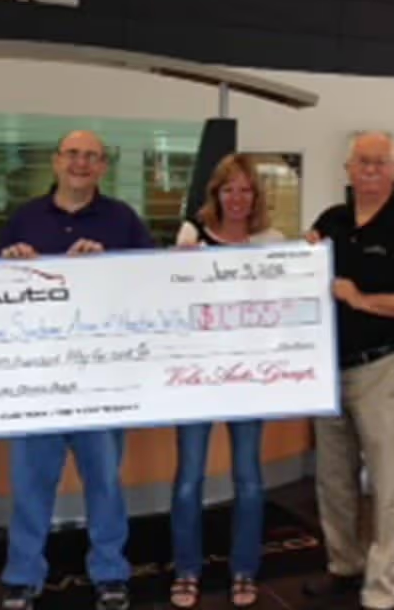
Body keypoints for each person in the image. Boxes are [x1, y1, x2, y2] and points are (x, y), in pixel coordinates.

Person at [0, 130, 154, 610]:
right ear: (55, 161)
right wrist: (9, 266)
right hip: (37, 381)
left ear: (103, 166)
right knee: (30, 485)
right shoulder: (23, 219)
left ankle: (110, 573)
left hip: (101, 379)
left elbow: (152, 287)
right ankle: (23, 575)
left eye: (91, 157)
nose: (81, 163)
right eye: (72, 154)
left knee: (105, 484)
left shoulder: (123, 220)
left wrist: (111, 265)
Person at [302, 131, 394, 610]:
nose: (369, 170)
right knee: (333, 476)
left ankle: (382, 585)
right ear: (348, 167)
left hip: (383, 367)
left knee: (388, 482)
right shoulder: (331, 221)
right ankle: (344, 565)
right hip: (328, 370)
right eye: (361, 162)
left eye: (379, 163)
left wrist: (362, 299)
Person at [167, 154, 284, 610]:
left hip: (248, 378)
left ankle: (243, 570)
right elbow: (173, 302)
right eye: (228, 189)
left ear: (257, 196)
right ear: (214, 194)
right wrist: (179, 268)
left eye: (245, 189)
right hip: (197, 376)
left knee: (249, 480)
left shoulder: (271, 241)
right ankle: (186, 570)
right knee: (187, 481)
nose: (237, 198)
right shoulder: (190, 237)